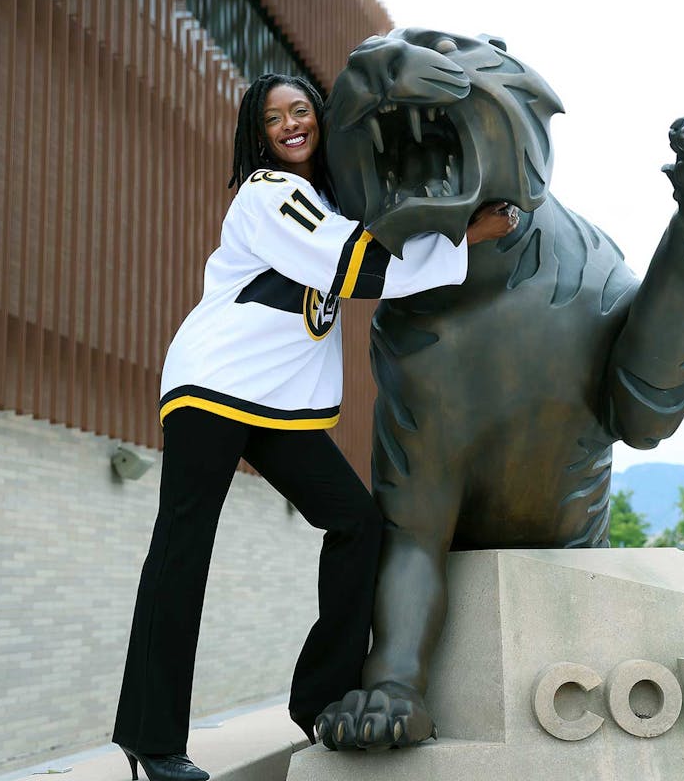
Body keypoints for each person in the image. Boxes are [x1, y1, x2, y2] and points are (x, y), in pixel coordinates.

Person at [111, 72, 517, 781]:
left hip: (275, 403)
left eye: (302, 111)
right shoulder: (270, 195)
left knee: (355, 520)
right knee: (183, 553)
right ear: (258, 135)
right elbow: (360, 268)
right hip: (214, 386)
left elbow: (371, 247)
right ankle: (152, 741)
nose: (292, 124)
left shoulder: (324, 202)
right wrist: (468, 231)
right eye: (275, 118)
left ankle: (322, 697)